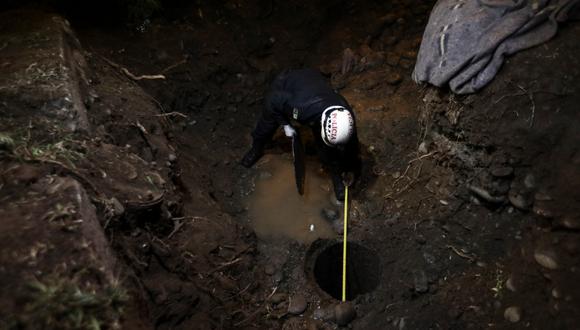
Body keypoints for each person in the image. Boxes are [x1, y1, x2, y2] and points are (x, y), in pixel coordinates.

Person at [241, 68, 361, 201]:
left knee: (328, 151)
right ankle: (257, 148)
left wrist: (350, 168)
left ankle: (337, 178)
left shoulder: (346, 118)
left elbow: (352, 146)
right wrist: (285, 124)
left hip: (315, 87)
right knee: (266, 126)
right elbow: (272, 101)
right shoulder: (300, 106)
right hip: (287, 84)